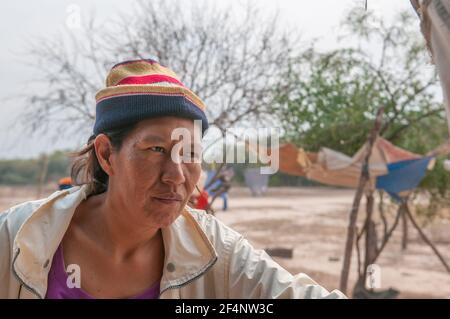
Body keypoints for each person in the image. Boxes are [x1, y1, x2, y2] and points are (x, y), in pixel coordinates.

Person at [0, 59, 345, 299]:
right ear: (106, 154)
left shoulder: (215, 252)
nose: (177, 175)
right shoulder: (17, 240)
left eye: (191, 153)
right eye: (156, 149)